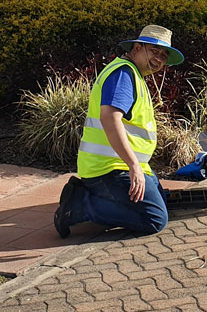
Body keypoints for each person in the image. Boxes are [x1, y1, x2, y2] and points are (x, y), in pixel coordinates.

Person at [53, 24, 184, 238]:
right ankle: (79, 206)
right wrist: (134, 167)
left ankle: (99, 199)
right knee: (155, 218)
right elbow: (110, 119)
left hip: (120, 165)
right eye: (154, 51)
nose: (159, 59)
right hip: (107, 169)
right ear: (137, 48)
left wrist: (138, 167)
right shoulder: (123, 74)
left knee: (159, 200)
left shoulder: (133, 74)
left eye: (163, 55)